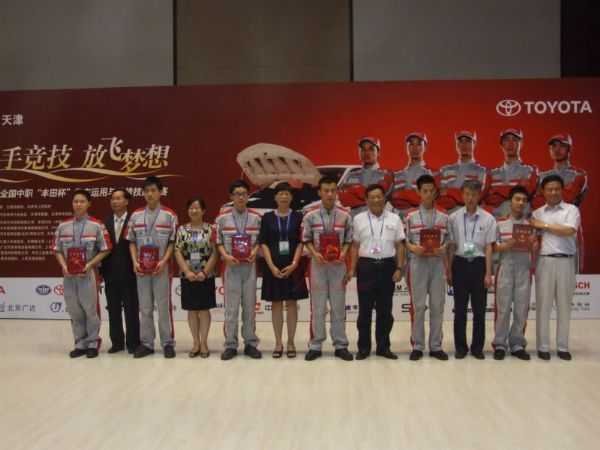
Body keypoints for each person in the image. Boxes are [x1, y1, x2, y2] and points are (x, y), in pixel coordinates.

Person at [347, 184, 405, 360]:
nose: (376, 200)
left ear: (384, 198)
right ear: (366, 200)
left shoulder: (394, 219)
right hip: (366, 267)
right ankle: (363, 348)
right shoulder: (358, 219)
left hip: (387, 266)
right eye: (372, 197)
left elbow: (399, 245)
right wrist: (352, 268)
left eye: (379, 196)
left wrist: (399, 268)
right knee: (364, 311)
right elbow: (355, 246)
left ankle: (383, 347)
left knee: (385, 311)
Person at [53, 189, 111, 358]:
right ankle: (80, 343)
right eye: (75, 201)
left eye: (82, 201)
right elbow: (57, 250)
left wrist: (90, 264)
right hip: (69, 276)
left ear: (89, 204)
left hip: (88, 275)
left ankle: (93, 342)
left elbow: (106, 248)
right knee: (74, 310)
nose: (78, 204)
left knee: (90, 310)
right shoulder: (63, 226)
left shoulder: (97, 225)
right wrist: (64, 266)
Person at [125, 176, 178, 359]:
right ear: (143, 193)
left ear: (160, 192)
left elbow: (172, 242)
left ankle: (167, 343)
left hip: (161, 269)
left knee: (163, 307)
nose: (150, 194)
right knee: (145, 308)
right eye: (146, 191)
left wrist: (164, 261)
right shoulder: (136, 215)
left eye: (153, 190)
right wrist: (134, 261)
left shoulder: (170, 215)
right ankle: (147, 343)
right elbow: (132, 242)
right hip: (142, 269)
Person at [302, 176, 354, 361]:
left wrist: (343, 253)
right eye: (326, 191)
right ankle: (315, 345)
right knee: (318, 307)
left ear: (337, 192)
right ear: (320, 192)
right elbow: (306, 239)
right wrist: (314, 253)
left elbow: (349, 239)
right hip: (318, 265)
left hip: (338, 266)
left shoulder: (345, 215)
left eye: (333, 190)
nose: (330, 194)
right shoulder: (310, 216)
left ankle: (340, 345)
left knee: (338, 307)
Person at [530, 174, 581, 361]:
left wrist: (544, 225)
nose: (553, 192)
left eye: (556, 189)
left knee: (564, 306)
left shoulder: (571, 210)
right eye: (549, 189)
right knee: (543, 305)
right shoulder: (537, 213)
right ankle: (543, 347)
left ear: (562, 190)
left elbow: (569, 230)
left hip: (566, 261)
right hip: (545, 262)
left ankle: (562, 347)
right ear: (543, 191)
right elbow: (534, 239)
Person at [447, 180, 497, 359]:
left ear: (479, 196)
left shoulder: (488, 219)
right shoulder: (453, 218)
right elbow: (451, 246)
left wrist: (488, 273)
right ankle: (460, 347)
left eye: (474, 195)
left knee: (479, 310)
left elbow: (489, 247)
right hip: (459, 264)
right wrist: (449, 270)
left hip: (479, 264)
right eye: (467, 194)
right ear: (462, 195)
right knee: (459, 310)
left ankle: (477, 348)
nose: (470, 198)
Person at [258, 182, 308, 358]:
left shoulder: (299, 217)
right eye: (281, 193)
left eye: (287, 194)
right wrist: (271, 265)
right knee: (276, 303)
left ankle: (291, 342)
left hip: (294, 266)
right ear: (275, 197)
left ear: (291, 197)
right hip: (273, 266)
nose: (284, 196)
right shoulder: (267, 218)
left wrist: (294, 263)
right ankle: (278, 342)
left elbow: (302, 242)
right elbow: (263, 242)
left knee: (292, 303)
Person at [215, 179, 262, 360]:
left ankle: (250, 343)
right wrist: (226, 256)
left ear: (248, 196)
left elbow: (260, 242)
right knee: (231, 308)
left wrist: (254, 252)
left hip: (249, 267)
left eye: (244, 194)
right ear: (231, 197)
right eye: (237, 194)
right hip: (231, 268)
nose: (241, 197)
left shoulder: (256, 218)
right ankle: (230, 345)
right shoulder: (222, 218)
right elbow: (218, 242)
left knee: (250, 307)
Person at [404, 175, 449, 361]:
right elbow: (404, 241)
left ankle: (436, 346)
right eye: (425, 191)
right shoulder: (410, 216)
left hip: (437, 264)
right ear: (418, 192)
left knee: (437, 306)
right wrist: (413, 248)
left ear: (436, 192)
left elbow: (449, 241)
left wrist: (443, 248)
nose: (428, 194)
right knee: (419, 306)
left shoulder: (444, 216)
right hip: (418, 263)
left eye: (431, 191)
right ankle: (418, 345)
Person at [492, 185, 538, 361]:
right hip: (505, 267)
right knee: (503, 309)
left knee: (521, 308)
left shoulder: (531, 225)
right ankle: (500, 344)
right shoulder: (499, 223)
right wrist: (506, 245)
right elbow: (493, 247)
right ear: (510, 202)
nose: (520, 203)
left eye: (524, 200)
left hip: (524, 269)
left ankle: (517, 343)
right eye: (517, 199)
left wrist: (533, 244)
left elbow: (535, 248)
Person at [174, 197, 218, 358]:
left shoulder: (211, 229)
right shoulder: (181, 230)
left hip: (206, 276)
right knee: (192, 310)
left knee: (204, 310)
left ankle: (204, 343)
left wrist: (204, 272)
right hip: (188, 276)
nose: (194, 210)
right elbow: (177, 251)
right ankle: (195, 342)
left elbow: (215, 252)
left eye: (197, 208)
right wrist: (187, 271)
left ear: (203, 211)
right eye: (191, 208)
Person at [99, 188, 140, 354]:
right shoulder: (105, 222)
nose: (114, 201)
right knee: (113, 309)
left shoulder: (134, 220)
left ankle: (133, 342)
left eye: (118, 198)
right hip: (110, 273)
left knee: (131, 309)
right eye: (113, 199)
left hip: (130, 272)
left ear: (126, 201)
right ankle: (117, 342)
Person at [483, 129, 538, 217]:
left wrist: (498, 194)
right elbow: (485, 199)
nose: (510, 143)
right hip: (497, 220)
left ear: (521, 144)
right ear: (501, 145)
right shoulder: (492, 174)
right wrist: (517, 190)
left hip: (522, 221)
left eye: (514, 140)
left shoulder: (531, 171)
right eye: (506, 140)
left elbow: (533, 198)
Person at [337, 137, 394, 216]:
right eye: (363, 150)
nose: (367, 153)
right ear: (359, 153)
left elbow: (378, 199)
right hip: (354, 220)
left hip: (377, 220)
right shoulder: (350, 175)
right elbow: (343, 200)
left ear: (378, 153)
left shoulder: (387, 175)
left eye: (371, 149)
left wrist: (354, 192)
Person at [437, 131, 488, 215]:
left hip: (472, 214)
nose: (464, 145)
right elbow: (441, 197)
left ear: (474, 144)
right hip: (449, 214)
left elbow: (476, 198)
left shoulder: (481, 171)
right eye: (460, 141)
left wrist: (450, 192)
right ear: (456, 145)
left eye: (468, 141)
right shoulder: (445, 170)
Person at [532, 134, 588, 209]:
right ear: (550, 150)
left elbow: (566, 199)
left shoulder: (578, 174)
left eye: (562, 146)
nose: (557, 149)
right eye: (554, 146)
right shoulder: (541, 176)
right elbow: (534, 204)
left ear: (570, 149)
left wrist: (542, 193)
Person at [389, 132, 435, 219]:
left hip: (420, 218)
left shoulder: (431, 172)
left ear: (425, 147)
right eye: (411, 144)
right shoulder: (397, 174)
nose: (415, 148)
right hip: (397, 218)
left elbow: (428, 199)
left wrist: (401, 195)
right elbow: (389, 199)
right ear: (406, 147)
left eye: (419, 144)